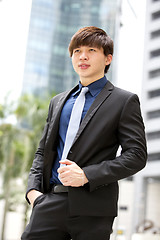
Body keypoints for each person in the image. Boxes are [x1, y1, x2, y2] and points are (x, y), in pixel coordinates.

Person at [21, 26, 147, 240]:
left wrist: (87, 175)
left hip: (94, 208)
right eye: (77, 51)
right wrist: (33, 193)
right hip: (49, 202)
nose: (83, 56)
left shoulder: (124, 101)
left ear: (108, 59)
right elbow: (42, 152)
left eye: (91, 50)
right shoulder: (58, 101)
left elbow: (136, 156)